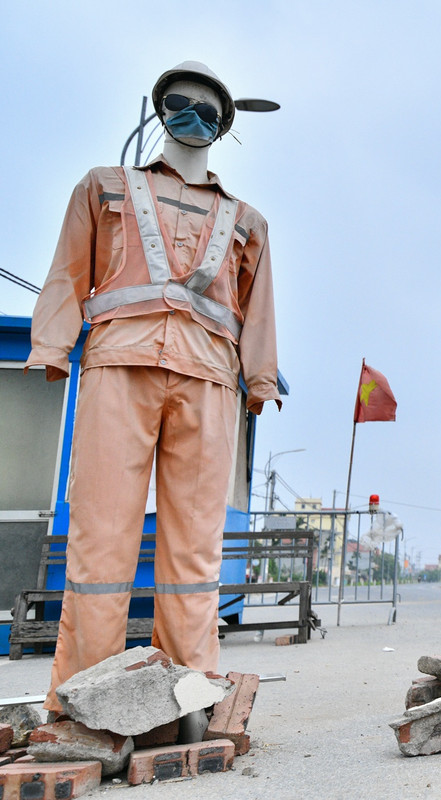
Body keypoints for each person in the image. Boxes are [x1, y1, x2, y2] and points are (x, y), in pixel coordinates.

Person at [24, 62, 280, 713]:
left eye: (207, 107)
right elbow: (67, 269)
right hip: (118, 369)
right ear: (160, 107)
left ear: (224, 127)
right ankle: (86, 698)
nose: (192, 113)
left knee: (194, 551)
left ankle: (185, 699)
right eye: (179, 101)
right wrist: (52, 346)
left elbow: (260, 309)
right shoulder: (104, 187)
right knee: (101, 541)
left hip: (209, 384)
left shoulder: (248, 222)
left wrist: (259, 379)